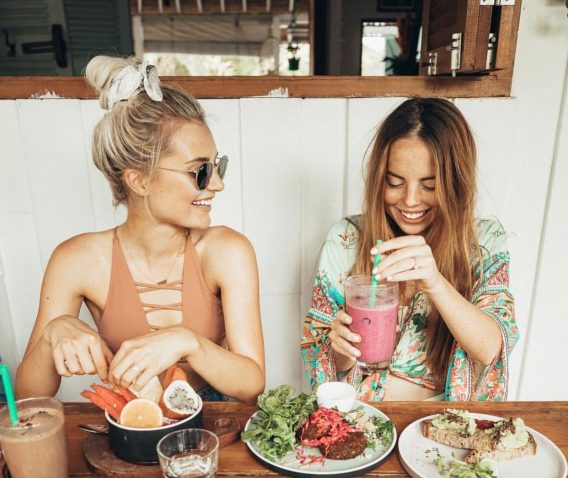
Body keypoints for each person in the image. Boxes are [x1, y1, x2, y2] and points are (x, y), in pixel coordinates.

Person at [16, 56, 265, 404]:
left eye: (216, 166)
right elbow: (28, 396)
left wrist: (188, 341)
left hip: (211, 420)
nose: (218, 184)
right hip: (128, 419)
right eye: (200, 172)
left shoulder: (227, 250)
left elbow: (251, 382)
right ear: (140, 180)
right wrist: (52, 335)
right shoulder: (77, 259)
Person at [301, 97, 519, 401]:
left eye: (430, 186)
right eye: (395, 182)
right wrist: (341, 351)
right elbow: (321, 364)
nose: (411, 200)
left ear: (456, 183)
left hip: (446, 424)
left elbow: (490, 349)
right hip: (363, 422)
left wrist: (435, 283)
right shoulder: (346, 239)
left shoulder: (483, 241)